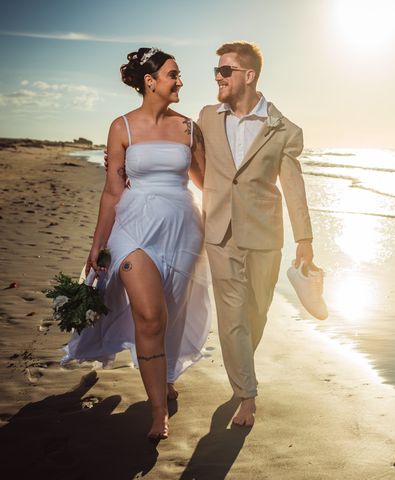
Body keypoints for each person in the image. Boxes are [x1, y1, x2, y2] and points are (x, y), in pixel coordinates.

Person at [62, 48, 212, 440]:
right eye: (173, 75)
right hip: (132, 226)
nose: (180, 81)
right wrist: (97, 245)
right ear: (150, 81)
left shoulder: (188, 128)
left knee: (170, 316)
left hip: (182, 229)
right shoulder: (121, 127)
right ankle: (158, 410)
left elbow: (208, 184)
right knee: (149, 316)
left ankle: (163, 375)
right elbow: (112, 192)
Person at [197, 41, 315, 426]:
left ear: (248, 76)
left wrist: (305, 241)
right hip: (220, 232)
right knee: (232, 316)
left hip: (265, 236)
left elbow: (293, 186)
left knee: (256, 313)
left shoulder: (283, 129)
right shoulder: (207, 118)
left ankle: (240, 368)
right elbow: (194, 162)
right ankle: (246, 394)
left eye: (225, 70)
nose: (218, 76)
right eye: (216, 70)